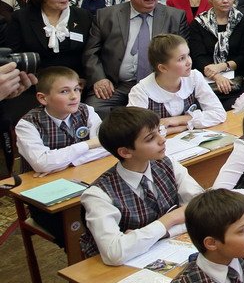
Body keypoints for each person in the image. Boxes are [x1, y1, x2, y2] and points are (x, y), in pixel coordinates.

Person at [79, 106, 203, 264]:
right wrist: (171, 218)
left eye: (159, 131)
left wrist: (163, 233)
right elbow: (114, 253)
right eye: (150, 138)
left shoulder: (167, 164)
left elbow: (204, 210)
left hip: (163, 251)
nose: (162, 139)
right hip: (124, 270)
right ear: (125, 152)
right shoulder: (98, 194)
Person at [16, 66, 108, 246]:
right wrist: (88, 145)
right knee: (79, 236)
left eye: (77, 89)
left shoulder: (86, 111)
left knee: (109, 218)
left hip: (87, 184)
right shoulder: (27, 125)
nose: (74, 96)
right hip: (45, 196)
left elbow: (106, 146)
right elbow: (42, 164)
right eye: (65, 91)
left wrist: (65, 162)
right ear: (43, 98)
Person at [83, 0, 189, 116]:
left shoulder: (174, 17)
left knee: (160, 115)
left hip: (159, 84)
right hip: (115, 86)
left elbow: (182, 55)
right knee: (93, 112)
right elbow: (91, 52)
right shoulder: (106, 16)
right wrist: (99, 78)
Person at [128, 34, 226, 134]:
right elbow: (135, 131)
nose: (189, 62)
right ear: (163, 68)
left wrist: (176, 121)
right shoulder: (141, 91)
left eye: (188, 55)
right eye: (181, 58)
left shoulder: (194, 77)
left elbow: (219, 114)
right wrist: (184, 126)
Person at [6, 0, 92, 78]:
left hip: (76, 79)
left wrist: (83, 79)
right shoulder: (21, 18)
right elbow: (14, 56)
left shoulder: (83, 16)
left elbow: (90, 54)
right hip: (35, 80)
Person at [189, 0, 244, 105]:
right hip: (206, 79)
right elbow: (198, 56)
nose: (225, 0)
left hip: (237, 78)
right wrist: (217, 76)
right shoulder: (199, 23)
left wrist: (222, 66)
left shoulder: (243, 21)